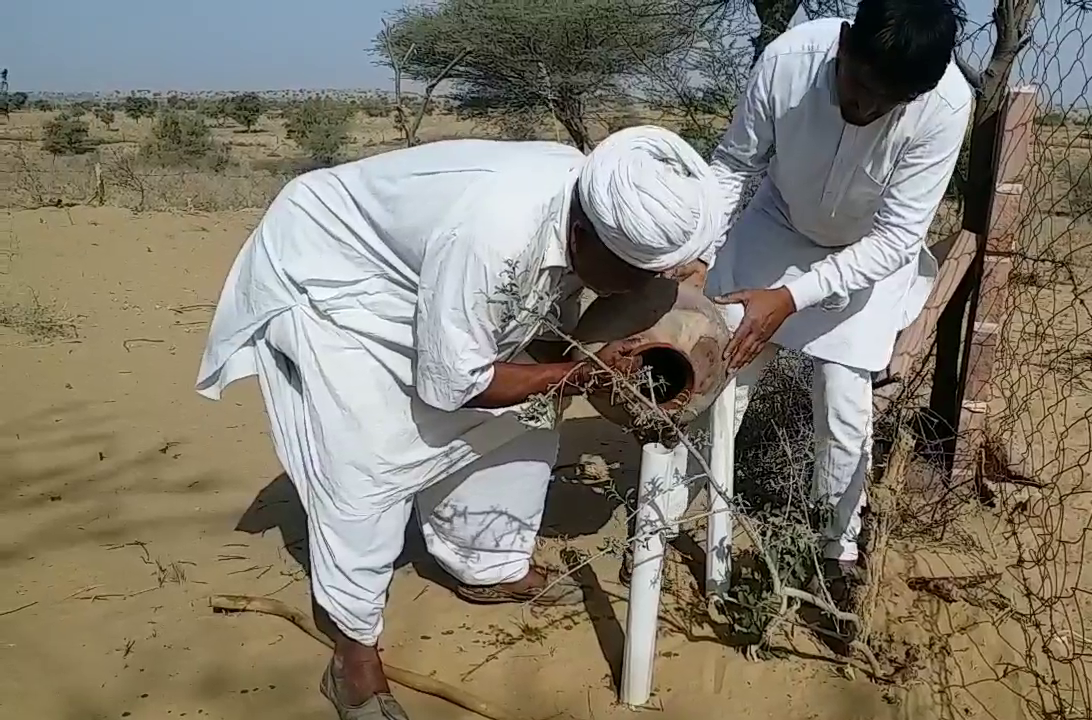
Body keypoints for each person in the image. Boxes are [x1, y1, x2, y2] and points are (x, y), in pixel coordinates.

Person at [195, 125, 718, 720]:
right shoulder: (494, 233)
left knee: (524, 415)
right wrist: (573, 376)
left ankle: (484, 561)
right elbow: (455, 386)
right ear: (580, 237)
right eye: (632, 274)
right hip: (340, 281)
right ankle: (353, 655)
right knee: (370, 459)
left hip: (437, 278)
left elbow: (530, 340)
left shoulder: (605, 205)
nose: (641, 285)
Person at [687, 2, 971, 601]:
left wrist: (791, 297)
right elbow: (736, 165)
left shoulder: (945, 105)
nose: (865, 109)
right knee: (725, 374)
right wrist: (700, 254)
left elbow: (896, 236)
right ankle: (681, 506)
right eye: (860, 86)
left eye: (885, 103)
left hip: (865, 254)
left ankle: (838, 551)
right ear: (844, 46)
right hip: (778, 226)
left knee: (844, 403)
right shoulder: (789, 61)